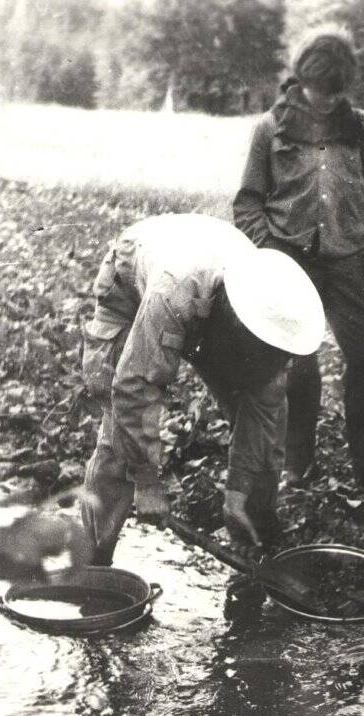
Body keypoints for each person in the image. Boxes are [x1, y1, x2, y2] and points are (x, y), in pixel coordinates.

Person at [80, 213, 324, 566]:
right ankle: (94, 559)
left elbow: (263, 413)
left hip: (211, 285)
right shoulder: (173, 292)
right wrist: (147, 482)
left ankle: (253, 535)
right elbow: (135, 387)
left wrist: (239, 491)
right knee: (118, 430)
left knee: (265, 427)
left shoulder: (275, 327)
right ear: (238, 327)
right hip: (135, 273)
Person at [232, 28, 364, 491]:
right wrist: (272, 254)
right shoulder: (269, 128)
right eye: (319, 91)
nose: (325, 102)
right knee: (300, 366)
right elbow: (247, 203)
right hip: (290, 262)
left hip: (349, 260)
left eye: (335, 93)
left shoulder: (360, 127)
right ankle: (298, 463)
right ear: (301, 79)